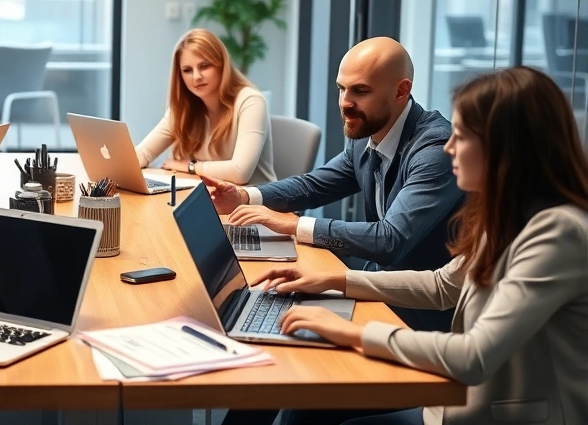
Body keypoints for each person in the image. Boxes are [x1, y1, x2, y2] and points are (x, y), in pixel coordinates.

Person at [250, 66, 588, 425]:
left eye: (462, 136)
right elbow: (444, 285)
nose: (449, 147)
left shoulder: (558, 232)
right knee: (308, 405)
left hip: (501, 415)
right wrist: (335, 280)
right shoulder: (510, 211)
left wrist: (351, 332)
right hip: (458, 404)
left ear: (506, 149)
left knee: (312, 405)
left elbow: (473, 356)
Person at [204, 37, 463, 332]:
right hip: (372, 289)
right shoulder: (371, 131)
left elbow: (389, 240)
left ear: (401, 91)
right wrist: (242, 196)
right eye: (341, 89)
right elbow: (313, 186)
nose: (345, 103)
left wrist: (293, 226)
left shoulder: (435, 149)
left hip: (419, 315)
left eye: (360, 91)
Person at [135, 28, 276, 185]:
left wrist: (190, 167)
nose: (196, 77)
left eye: (204, 66)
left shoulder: (251, 101)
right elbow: (144, 153)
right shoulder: (183, 108)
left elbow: (240, 172)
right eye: (187, 70)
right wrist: (117, 165)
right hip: (210, 198)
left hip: (256, 204)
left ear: (222, 65)